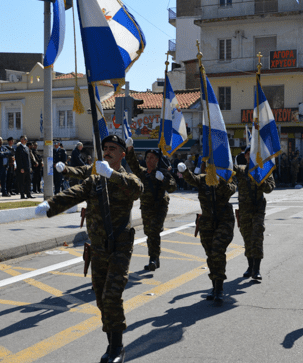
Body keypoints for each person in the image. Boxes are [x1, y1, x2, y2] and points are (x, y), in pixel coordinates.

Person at [35, 134, 143, 363]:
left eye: (112, 148)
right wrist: (50, 205)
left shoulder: (127, 178)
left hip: (120, 247)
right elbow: (75, 193)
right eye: (104, 147)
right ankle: (112, 340)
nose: (107, 151)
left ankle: (116, 348)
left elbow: (137, 189)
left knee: (112, 295)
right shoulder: (94, 181)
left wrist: (111, 175)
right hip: (98, 248)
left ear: (122, 154)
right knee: (101, 299)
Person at [177, 161, 237, 305]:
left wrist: (218, 180)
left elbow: (231, 190)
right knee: (210, 253)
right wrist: (184, 171)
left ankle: (219, 289)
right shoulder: (202, 179)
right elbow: (192, 179)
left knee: (217, 249)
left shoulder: (227, 180)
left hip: (224, 220)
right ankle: (215, 284)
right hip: (207, 221)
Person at [125, 139, 177, 271]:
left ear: (158, 160)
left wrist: (163, 179)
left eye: (153, 158)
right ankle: (155, 259)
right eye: (148, 157)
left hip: (159, 207)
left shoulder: (163, 173)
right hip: (146, 207)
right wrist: (130, 149)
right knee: (149, 232)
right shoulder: (143, 173)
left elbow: (172, 187)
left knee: (154, 232)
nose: (149, 160)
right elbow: (133, 164)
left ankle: (153, 258)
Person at [233, 146, 275, 280]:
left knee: (256, 237)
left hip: (258, 209)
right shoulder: (241, 170)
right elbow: (228, 168)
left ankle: (256, 269)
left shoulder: (264, 170)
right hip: (244, 209)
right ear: (245, 157)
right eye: (247, 155)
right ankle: (250, 266)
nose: (249, 157)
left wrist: (260, 179)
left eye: (252, 154)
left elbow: (269, 188)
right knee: (247, 238)